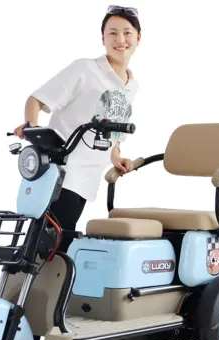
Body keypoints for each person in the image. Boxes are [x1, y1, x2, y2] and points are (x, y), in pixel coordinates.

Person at [14, 5, 142, 253]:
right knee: (48, 247)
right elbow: (36, 100)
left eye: (127, 33)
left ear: (138, 38)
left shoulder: (132, 85)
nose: (120, 39)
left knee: (59, 246)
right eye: (112, 33)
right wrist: (31, 128)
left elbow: (114, 135)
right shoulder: (85, 69)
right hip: (62, 172)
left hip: (88, 179)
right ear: (103, 38)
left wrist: (116, 157)